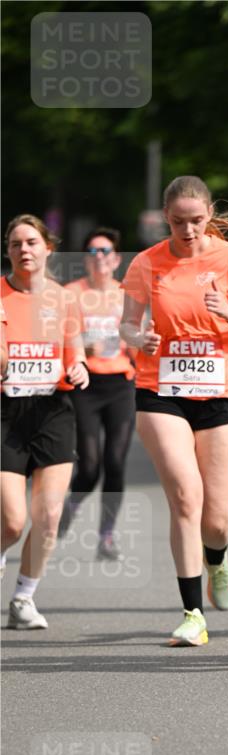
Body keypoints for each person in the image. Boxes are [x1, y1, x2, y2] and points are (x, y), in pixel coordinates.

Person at [120, 175, 228, 646]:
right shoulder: (147, 263)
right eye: (179, 222)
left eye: (197, 221)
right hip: (161, 388)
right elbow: (126, 324)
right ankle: (192, 613)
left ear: (209, 216)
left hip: (223, 392)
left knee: (216, 518)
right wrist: (137, 338)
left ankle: (217, 560)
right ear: (166, 218)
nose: (188, 230)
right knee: (185, 495)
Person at [1, 214, 89, 628]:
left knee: (49, 515)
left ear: (48, 248)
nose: (24, 250)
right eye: (16, 243)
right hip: (6, 412)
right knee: (12, 520)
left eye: (32, 242)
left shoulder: (63, 298)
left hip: (53, 409)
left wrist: (81, 369)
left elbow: (76, 351)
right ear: (8, 251)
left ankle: (23, 598)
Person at [58, 227, 135, 560]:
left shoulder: (128, 293)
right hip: (85, 386)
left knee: (115, 462)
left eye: (105, 252)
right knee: (89, 466)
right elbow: (57, 339)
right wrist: (80, 348)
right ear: (85, 261)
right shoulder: (71, 294)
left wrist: (135, 342)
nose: (99, 258)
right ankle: (69, 508)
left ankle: (106, 536)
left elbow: (140, 339)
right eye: (92, 252)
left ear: (116, 259)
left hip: (121, 384)